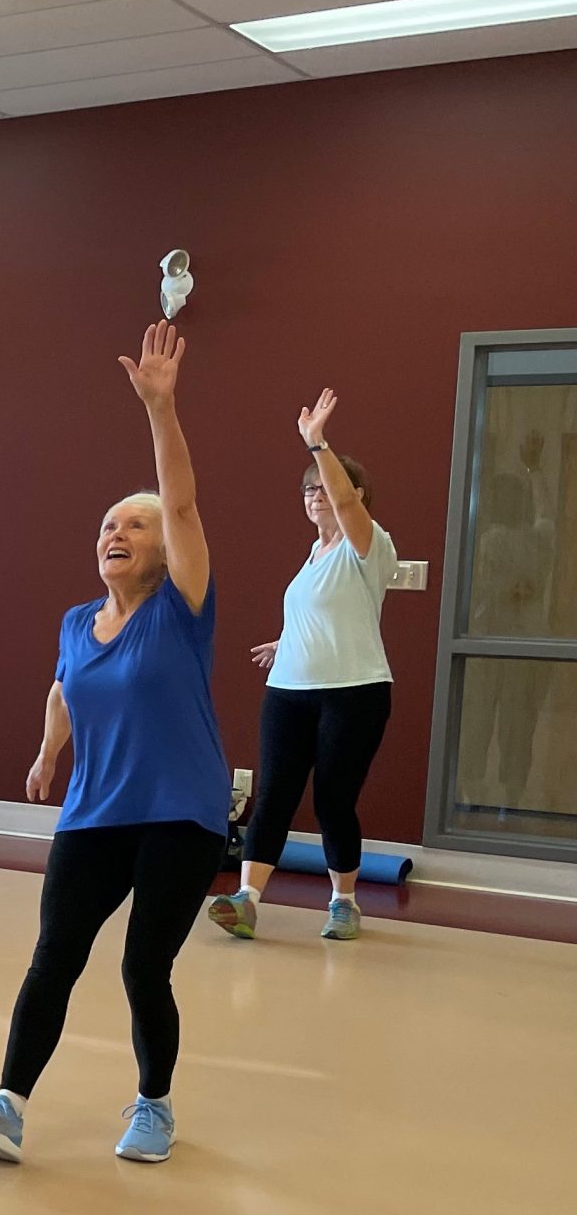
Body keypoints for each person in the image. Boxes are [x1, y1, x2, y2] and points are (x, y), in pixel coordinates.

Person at [0, 322, 228, 1167]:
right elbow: (66, 688)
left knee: (144, 967)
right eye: (108, 524)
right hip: (95, 810)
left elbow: (179, 501)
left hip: (181, 812)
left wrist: (161, 410)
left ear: (158, 550)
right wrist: (46, 752)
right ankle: (8, 1108)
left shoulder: (183, 608)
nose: (117, 532)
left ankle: (154, 1107)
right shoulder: (77, 621)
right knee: (54, 957)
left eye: (133, 527)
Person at [210, 390, 398, 943]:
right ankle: (246, 899)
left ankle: (344, 903)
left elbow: (344, 507)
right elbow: (323, 613)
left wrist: (317, 443)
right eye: (308, 489)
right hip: (290, 689)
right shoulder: (312, 558)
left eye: (327, 487)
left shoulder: (368, 546)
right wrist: (285, 641)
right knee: (274, 797)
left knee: (333, 802)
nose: (317, 495)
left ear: (355, 496)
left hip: (354, 692)